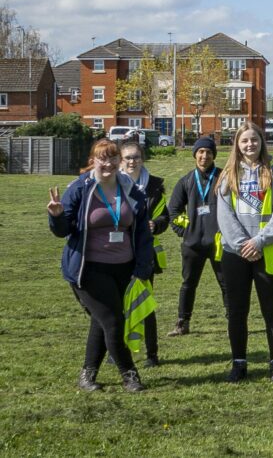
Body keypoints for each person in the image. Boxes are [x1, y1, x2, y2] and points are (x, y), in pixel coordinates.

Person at [46, 139, 154, 393]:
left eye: (112, 158)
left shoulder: (130, 189)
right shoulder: (80, 189)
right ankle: (130, 375)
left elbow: (142, 234)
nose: (108, 164)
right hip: (89, 268)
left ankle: (87, 375)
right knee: (114, 322)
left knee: (101, 321)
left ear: (119, 161)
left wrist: (142, 267)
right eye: (102, 158)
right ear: (93, 161)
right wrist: (57, 215)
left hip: (123, 267)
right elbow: (63, 232)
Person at [216, 122, 273, 383]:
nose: (250, 145)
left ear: (262, 142)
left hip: (266, 251)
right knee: (237, 311)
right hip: (235, 255)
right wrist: (242, 245)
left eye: (254, 140)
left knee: (272, 310)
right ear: (237, 144)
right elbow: (224, 216)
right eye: (245, 141)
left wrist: (258, 242)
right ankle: (239, 363)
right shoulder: (227, 176)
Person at [166, 135, 227, 337]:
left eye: (209, 152)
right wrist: (185, 231)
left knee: (226, 283)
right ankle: (183, 322)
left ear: (213, 155)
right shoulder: (185, 181)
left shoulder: (223, 178)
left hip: (219, 243)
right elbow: (173, 211)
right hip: (192, 244)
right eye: (201, 152)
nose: (204, 156)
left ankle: (232, 320)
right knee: (188, 284)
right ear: (195, 155)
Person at [118, 140, 169, 368]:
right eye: (127, 157)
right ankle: (117, 351)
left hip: (144, 255)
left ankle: (152, 354)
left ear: (143, 159)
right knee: (117, 306)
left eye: (136, 157)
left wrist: (155, 225)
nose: (132, 162)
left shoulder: (154, 186)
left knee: (145, 304)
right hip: (116, 253)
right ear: (121, 160)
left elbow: (164, 217)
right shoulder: (111, 183)